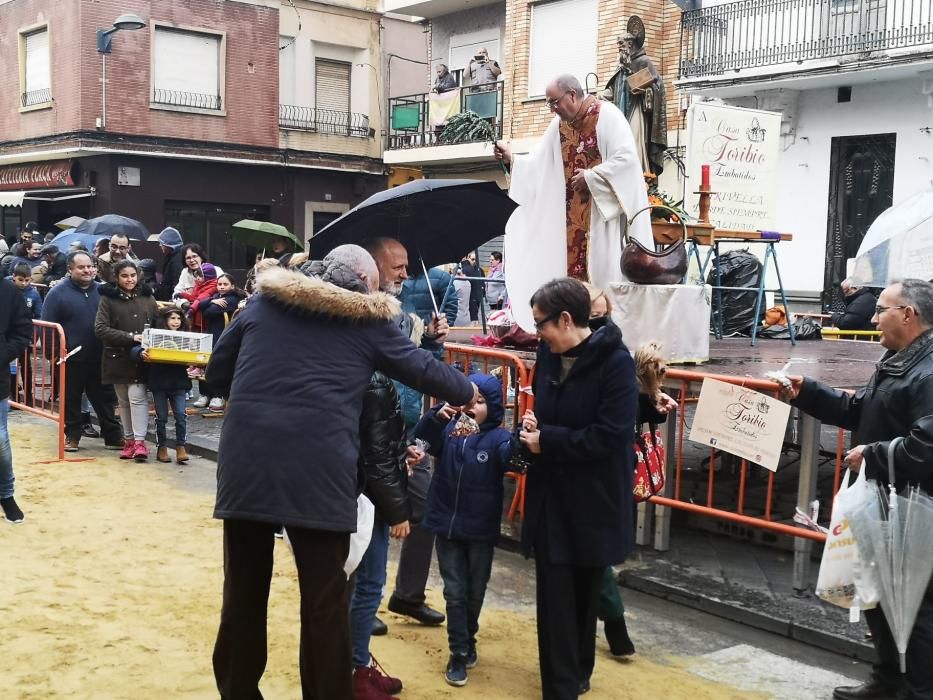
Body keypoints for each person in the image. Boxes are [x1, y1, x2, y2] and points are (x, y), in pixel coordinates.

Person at [207, 245, 477, 700]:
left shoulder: (264, 303)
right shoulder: (366, 322)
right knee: (324, 604)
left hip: (247, 464)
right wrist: (468, 387)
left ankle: (237, 693)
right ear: (366, 286)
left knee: (243, 595)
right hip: (320, 472)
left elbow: (216, 374)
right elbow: (430, 374)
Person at [783, 279, 933, 700]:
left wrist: (874, 453)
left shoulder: (929, 370)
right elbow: (861, 411)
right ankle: (887, 682)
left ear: (908, 314)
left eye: (881, 308)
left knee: (916, 607)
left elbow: (928, 445)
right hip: (886, 504)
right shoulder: (898, 359)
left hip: (917, 509)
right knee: (882, 598)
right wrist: (807, 392)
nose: (872, 316)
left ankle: (917, 691)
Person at [518, 277, 638, 699]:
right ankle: (561, 686)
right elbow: (550, 414)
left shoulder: (616, 361)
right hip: (552, 497)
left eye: (541, 325)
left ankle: (578, 673)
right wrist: (536, 427)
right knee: (555, 599)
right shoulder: (548, 358)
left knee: (586, 593)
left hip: (595, 500)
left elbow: (612, 434)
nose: (538, 335)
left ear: (566, 319)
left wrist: (547, 440)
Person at [494, 74, 652, 332]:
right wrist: (514, 159)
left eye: (554, 102)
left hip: (601, 221)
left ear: (573, 95)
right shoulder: (559, 126)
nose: (552, 109)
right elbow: (538, 164)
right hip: (569, 225)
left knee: (603, 278)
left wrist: (592, 177)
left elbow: (627, 161)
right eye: (549, 104)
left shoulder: (607, 116)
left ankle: (606, 334)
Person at [365, 237, 450, 631]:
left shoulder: (404, 314)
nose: (405, 273)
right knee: (375, 517)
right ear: (373, 267)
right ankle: (363, 602)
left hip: (409, 429)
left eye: (405, 265)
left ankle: (407, 595)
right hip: (373, 436)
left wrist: (432, 342)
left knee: (424, 508)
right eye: (396, 266)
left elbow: (419, 366)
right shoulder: (362, 315)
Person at [413, 373, 517, 687]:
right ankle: (458, 652)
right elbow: (421, 440)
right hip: (446, 523)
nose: (473, 407)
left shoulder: (498, 438)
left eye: (481, 402)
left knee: (475, 590)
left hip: (481, 528)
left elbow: (513, 459)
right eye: (468, 401)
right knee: (454, 591)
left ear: (494, 407)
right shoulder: (449, 430)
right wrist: (435, 415)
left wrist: (526, 437)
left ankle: (468, 639)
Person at [350, 369, 412, 700]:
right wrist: (397, 510)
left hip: (359, 490)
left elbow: (383, 443)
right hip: (367, 497)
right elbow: (375, 458)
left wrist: (403, 453)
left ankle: (356, 665)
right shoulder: (372, 380)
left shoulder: (369, 375)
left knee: (361, 584)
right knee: (368, 584)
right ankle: (356, 670)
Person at [42, 252, 125, 452]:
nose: (87, 270)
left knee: (105, 399)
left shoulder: (104, 291)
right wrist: (52, 354)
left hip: (101, 356)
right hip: (70, 358)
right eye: (81, 267)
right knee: (71, 399)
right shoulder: (57, 293)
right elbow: (47, 326)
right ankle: (72, 436)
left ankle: (113, 436)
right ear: (70, 269)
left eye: (90, 266)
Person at [95, 259, 159, 462]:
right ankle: (129, 440)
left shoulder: (147, 296)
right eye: (124, 276)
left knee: (137, 397)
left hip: (140, 356)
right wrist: (130, 337)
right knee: (123, 401)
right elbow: (100, 328)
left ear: (138, 275)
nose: (129, 279)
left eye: (132, 275)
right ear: (117, 277)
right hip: (116, 356)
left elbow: (158, 321)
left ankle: (140, 441)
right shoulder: (108, 298)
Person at [603, 17, 667, 176]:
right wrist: (599, 96)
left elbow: (659, 87)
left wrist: (646, 92)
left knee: (634, 142)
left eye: (621, 44)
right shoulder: (622, 65)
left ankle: (638, 175)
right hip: (620, 112)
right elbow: (613, 88)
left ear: (630, 44)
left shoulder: (644, 61)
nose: (619, 48)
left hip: (637, 111)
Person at [135, 307, 190, 465]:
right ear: (164, 320)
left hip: (179, 383)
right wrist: (140, 354)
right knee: (162, 417)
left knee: (181, 415)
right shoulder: (154, 336)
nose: (176, 322)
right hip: (159, 383)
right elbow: (137, 350)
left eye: (178, 319)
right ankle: (162, 447)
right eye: (172, 318)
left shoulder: (186, 337)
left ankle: (181, 447)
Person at [0, 277, 32, 523]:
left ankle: (6, 494)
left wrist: (3, 354)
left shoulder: (8, 290)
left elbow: (22, 331)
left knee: (0, 443)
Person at [197, 273, 246, 413]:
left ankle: (218, 395)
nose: (222, 287)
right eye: (219, 284)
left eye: (225, 284)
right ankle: (205, 394)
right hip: (211, 335)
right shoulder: (217, 297)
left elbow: (209, 312)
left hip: (223, 336)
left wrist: (210, 304)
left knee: (218, 365)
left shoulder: (233, 299)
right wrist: (212, 300)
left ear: (232, 285)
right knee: (205, 363)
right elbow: (201, 305)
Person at [7, 264, 42, 404]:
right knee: (11, 368)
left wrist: (34, 335)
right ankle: (13, 397)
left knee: (26, 367)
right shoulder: (6, 289)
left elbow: (39, 315)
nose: (24, 283)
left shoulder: (33, 294)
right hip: (8, 337)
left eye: (27, 280)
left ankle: (28, 398)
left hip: (24, 338)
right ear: (14, 277)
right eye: (21, 279)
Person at [181, 262, 219, 332]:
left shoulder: (212, 286)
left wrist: (191, 310)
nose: (197, 278)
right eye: (197, 275)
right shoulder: (200, 285)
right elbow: (194, 297)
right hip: (197, 316)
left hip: (202, 320)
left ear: (208, 276)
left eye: (200, 276)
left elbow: (200, 299)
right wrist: (182, 295)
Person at [155, 227, 185, 302]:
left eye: (161, 244)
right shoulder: (171, 256)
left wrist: (173, 298)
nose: (160, 246)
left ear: (168, 244)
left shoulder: (177, 260)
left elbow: (177, 281)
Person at [459, 253, 484, 323]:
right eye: (472, 259)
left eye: (476, 260)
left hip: (475, 297)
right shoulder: (466, 269)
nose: (474, 261)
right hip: (470, 297)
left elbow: (483, 283)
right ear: (468, 258)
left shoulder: (480, 270)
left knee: (473, 318)